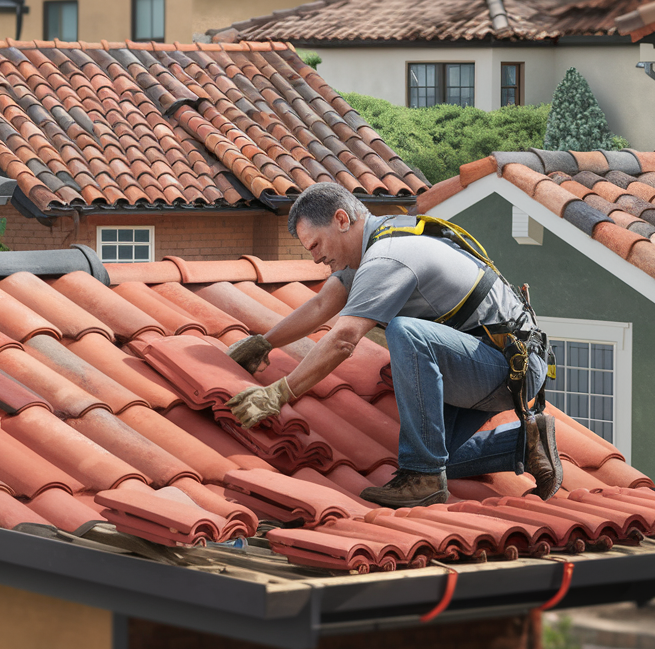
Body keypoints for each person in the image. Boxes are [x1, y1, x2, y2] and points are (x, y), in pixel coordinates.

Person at [224, 182, 562, 507]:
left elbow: (343, 338)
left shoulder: (387, 257)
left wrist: (279, 393)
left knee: (406, 333)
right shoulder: (374, 243)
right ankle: (525, 443)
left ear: (342, 220)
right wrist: (264, 344)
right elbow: (320, 306)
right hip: (477, 359)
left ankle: (424, 479)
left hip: (507, 367)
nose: (315, 259)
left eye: (315, 245)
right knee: (439, 453)